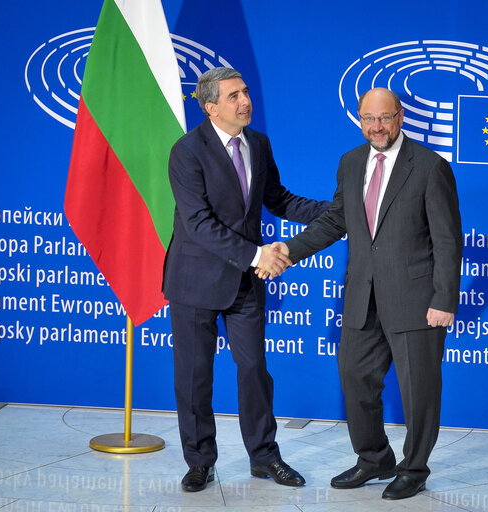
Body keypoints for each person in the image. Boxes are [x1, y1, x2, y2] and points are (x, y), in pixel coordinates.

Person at [271, 88, 462, 500]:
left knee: (419, 392)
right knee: (355, 377)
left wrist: (445, 299)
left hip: (416, 300)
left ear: (401, 117)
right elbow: (336, 220)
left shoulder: (430, 167)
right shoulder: (351, 162)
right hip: (362, 297)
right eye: (368, 118)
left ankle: (414, 468)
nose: (376, 127)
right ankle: (374, 458)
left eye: (384, 118)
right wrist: (290, 250)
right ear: (360, 119)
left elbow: (448, 240)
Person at [163, 67, 329, 492]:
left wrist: (333, 213)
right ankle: (200, 461)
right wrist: (258, 254)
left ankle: (264, 457)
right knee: (196, 375)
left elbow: (277, 198)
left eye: (246, 92)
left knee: (254, 369)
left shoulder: (258, 143)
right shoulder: (186, 151)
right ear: (211, 107)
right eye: (234, 95)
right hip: (195, 281)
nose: (245, 101)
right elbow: (198, 223)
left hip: (244, 284)